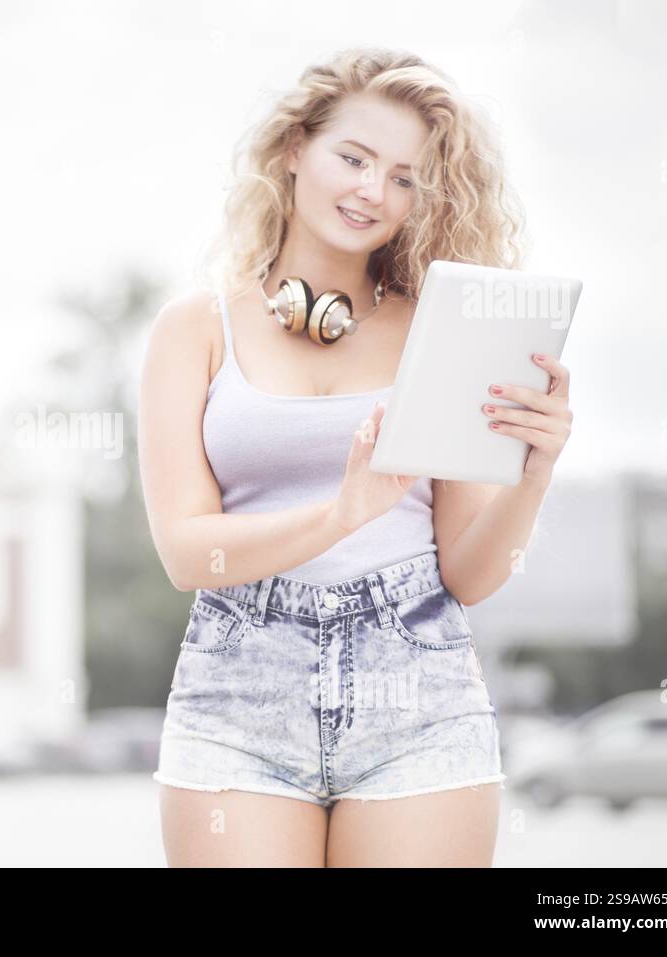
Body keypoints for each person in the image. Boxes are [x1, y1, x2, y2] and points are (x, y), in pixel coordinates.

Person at [138, 47, 574, 866]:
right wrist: (340, 514)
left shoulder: (441, 332)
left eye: (405, 177)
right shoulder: (194, 330)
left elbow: (470, 574)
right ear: (296, 149)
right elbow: (188, 553)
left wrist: (533, 473)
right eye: (355, 157)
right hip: (240, 696)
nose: (374, 189)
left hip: (418, 692)